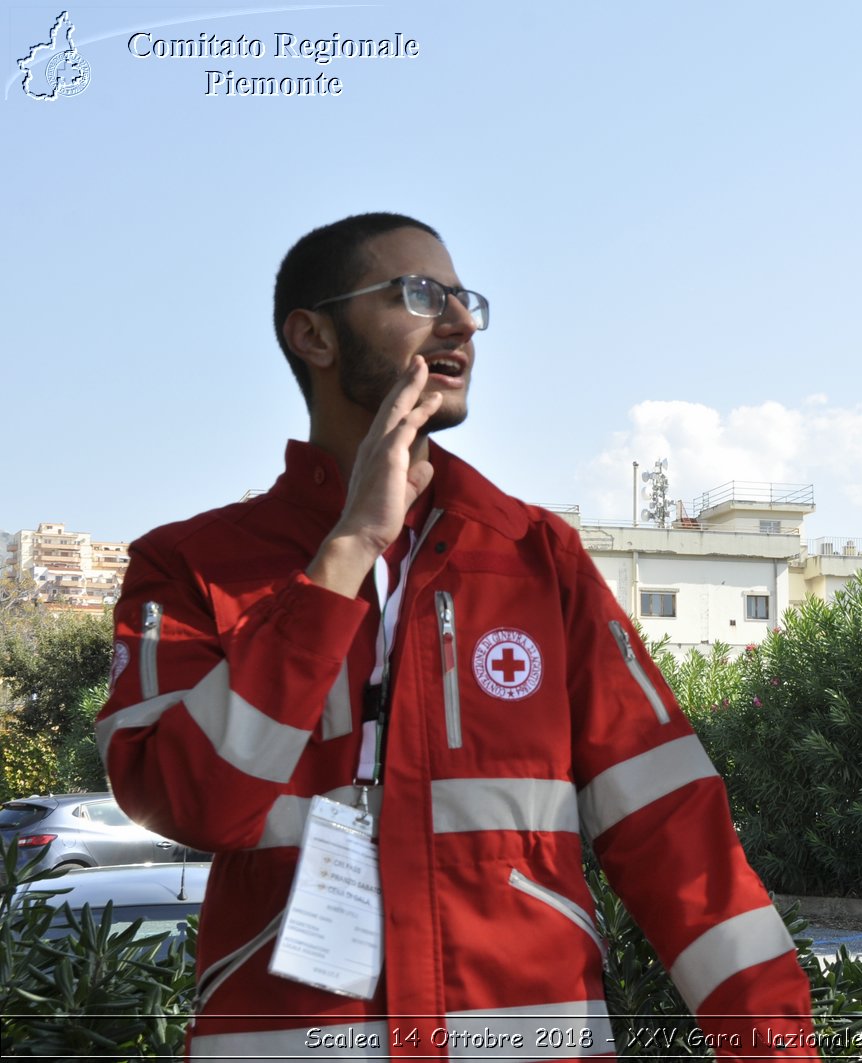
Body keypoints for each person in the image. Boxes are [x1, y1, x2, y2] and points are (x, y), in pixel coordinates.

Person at [97, 212, 818, 1060]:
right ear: (314, 335)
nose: (461, 322)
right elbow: (189, 802)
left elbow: (674, 830)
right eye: (418, 294)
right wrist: (346, 553)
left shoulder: (538, 558)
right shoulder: (191, 565)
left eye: (465, 299)